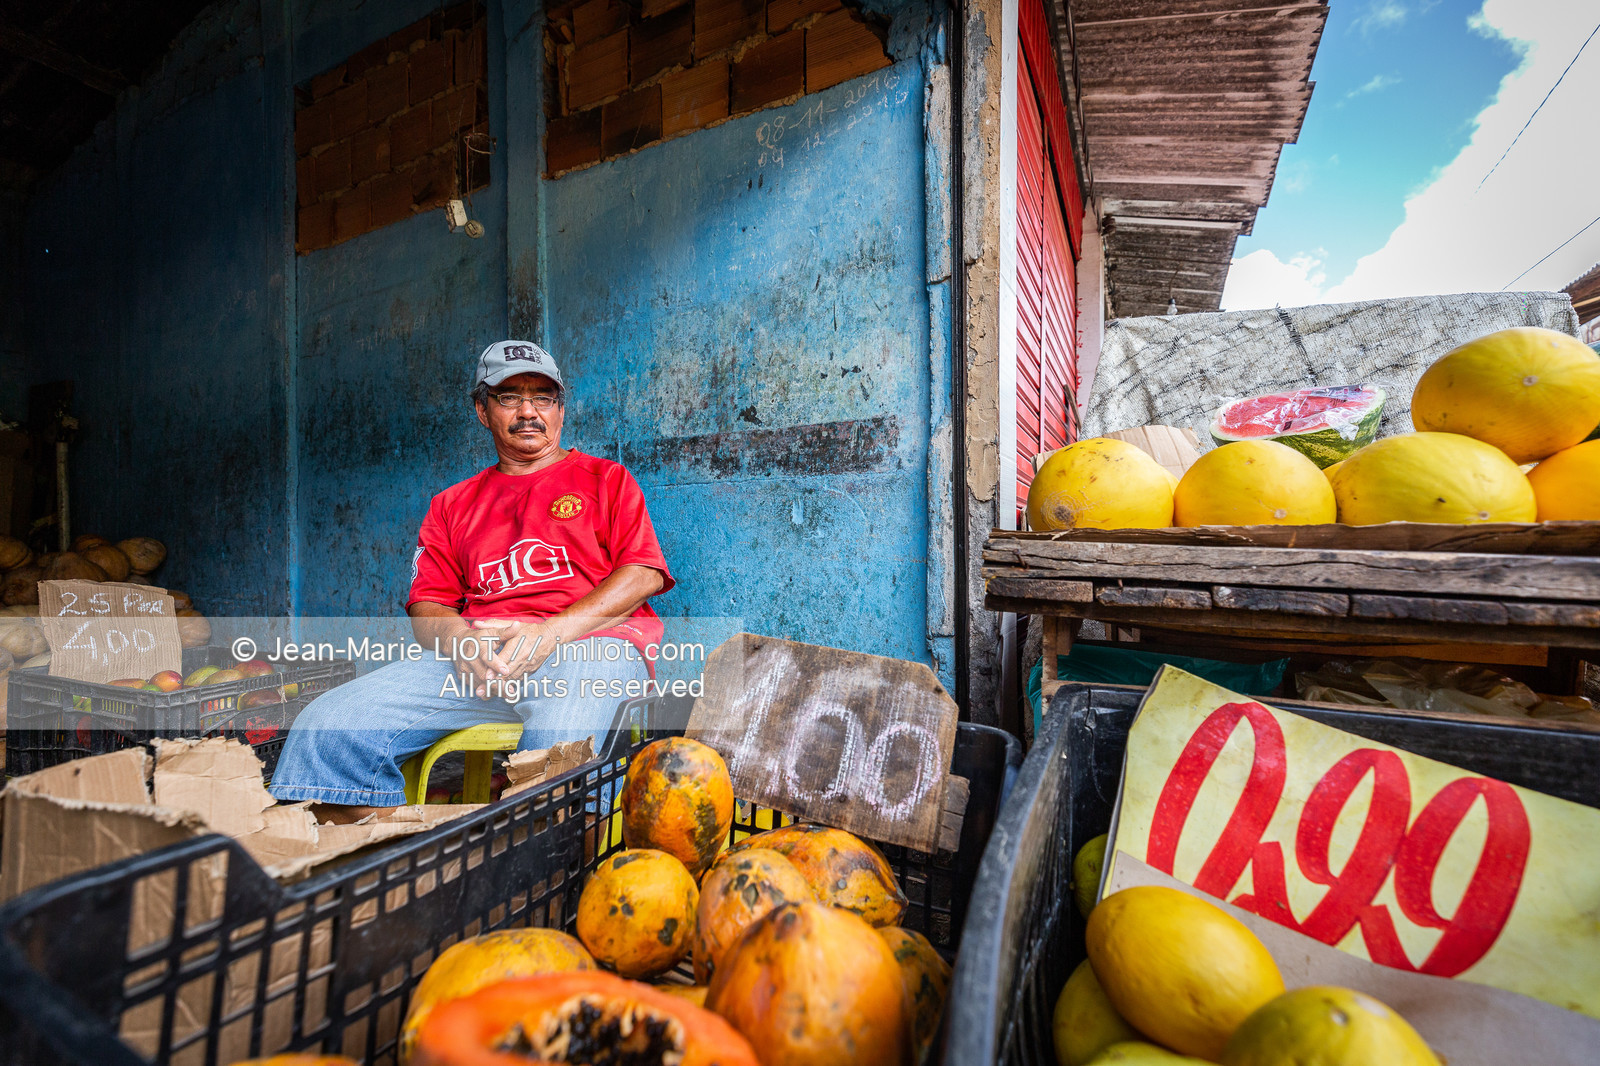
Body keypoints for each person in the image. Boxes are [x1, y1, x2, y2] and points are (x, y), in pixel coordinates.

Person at [268, 341, 673, 818]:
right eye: (509, 397)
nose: (528, 411)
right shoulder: (452, 505)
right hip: (481, 662)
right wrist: (459, 638)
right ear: (482, 410)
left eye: (543, 398)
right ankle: (390, 875)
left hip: (589, 646)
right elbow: (427, 609)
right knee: (328, 729)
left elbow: (642, 574)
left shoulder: (605, 479)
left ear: (560, 411)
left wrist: (548, 634)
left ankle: (551, 878)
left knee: (559, 755)